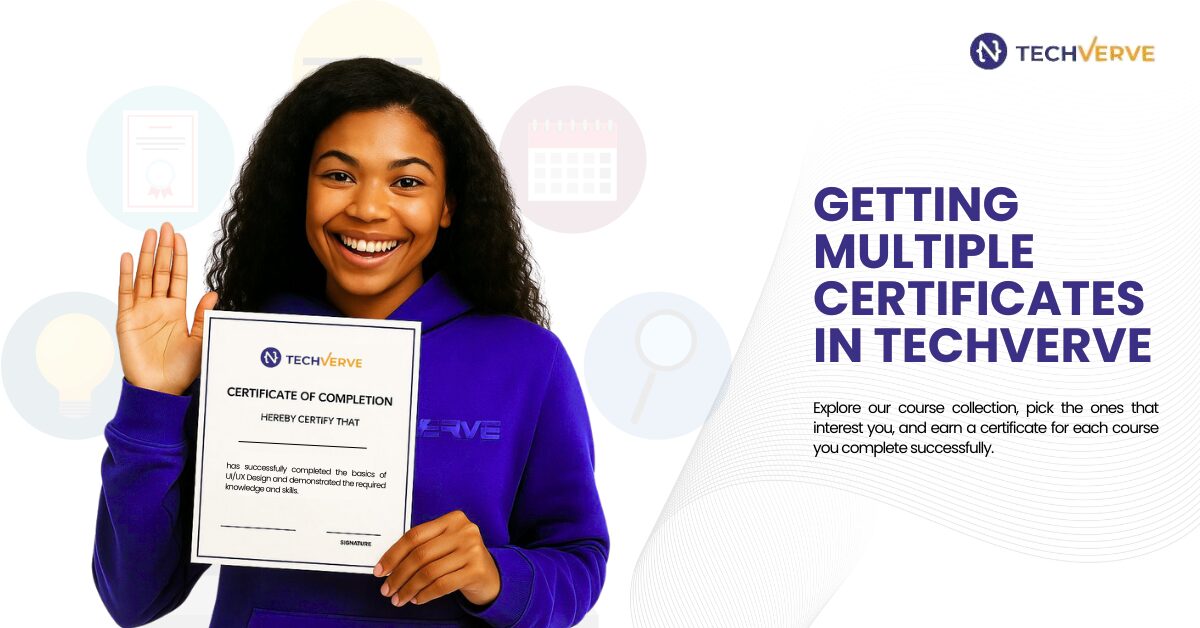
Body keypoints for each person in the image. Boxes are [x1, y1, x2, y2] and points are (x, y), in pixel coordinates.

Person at [92, 57, 608, 628]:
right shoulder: (238, 350)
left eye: (407, 182)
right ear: (301, 190)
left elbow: (577, 559)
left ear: (448, 207)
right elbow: (134, 597)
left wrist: (494, 576)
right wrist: (153, 402)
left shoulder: (527, 361)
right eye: (339, 175)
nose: (366, 208)